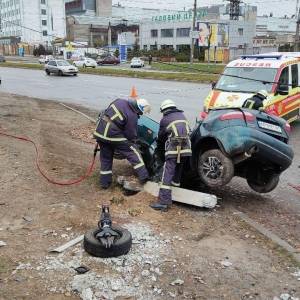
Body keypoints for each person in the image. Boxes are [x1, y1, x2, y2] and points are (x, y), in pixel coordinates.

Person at [94, 98, 151, 189]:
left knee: (106, 158)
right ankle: (144, 176)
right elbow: (130, 134)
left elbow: (106, 111)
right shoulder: (132, 115)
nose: (139, 115)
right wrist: (134, 143)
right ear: (139, 109)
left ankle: (105, 184)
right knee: (132, 152)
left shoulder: (119, 101)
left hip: (100, 131)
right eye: (140, 113)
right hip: (111, 134)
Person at [150, 100, 192, 211]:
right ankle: (175, 194)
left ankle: (163, 202)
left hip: (174, 148)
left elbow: (161, 137)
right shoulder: (182, 115)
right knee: (178, 170)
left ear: (164, 110)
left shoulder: (165, 119)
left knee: (167, 173)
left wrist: (159, 153)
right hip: (186, 149)